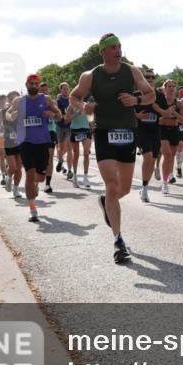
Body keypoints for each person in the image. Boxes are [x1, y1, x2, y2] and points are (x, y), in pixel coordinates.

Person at [70, 33, 155, 264]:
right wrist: (84, 106)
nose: (118, 50)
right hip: (104, 133)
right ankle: (118, 241)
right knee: (111, 184)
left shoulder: (132, 71)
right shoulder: (91, 76)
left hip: (128, 132)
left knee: (124, 190)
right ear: (103, 52)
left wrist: (136, 101)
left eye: (119, 46)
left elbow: (150, 94)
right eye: (113, 47)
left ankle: (106, 203)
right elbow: (74, 96)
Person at [6, 75, 62, 222]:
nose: (34, 86)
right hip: (25, 142)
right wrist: (12, 115)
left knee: (40, 177)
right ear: (26, 84)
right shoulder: (19, 100)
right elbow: (8, 114)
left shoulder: (47, 99)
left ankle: (36, 184)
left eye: (36, 83)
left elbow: (59, 115)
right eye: (31, 83)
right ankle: (32, 209)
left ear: (39, 86)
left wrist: (53, 114)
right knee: (29, 173)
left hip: (42, 142)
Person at [135, 69, 169, 202]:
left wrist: (158, 109)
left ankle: (145, 185)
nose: (150, 79)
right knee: (147, 157)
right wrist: (137, 116)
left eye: (152, 77)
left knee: (152, 161)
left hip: (155, 131)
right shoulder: (136, 95)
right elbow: (125, 112)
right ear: (142, 80)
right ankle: (144, 189)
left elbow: (166, 114)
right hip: (141, 131)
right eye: (147, 77)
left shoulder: (159, 96)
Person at [157, 79, 183, 195]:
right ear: (164, 88)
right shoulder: (159, 102)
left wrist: (175, 113)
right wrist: (164, 116)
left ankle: (166, 177)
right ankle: (164, 183)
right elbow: (156, 118)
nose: (171, 88)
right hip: (162, 130)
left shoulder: (179, 103)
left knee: (171, 157)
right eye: (169, 86)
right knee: (167, 154)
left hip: (174, 131)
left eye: (173, 86)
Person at [67, 96, 94, 188]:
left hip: (86, 130)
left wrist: (92, 121)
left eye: (81, 97)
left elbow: (91, 119)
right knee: (76, 154)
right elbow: (67, 120)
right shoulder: (71, 106)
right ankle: (75, 176)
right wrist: (77, 114)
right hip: (75, 130)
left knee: (86, 153)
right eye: (79, 97)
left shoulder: (87, 106)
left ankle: (85, 177)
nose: (80, 98)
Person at [1, 90, 24, 199]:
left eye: (16, 99)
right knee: (13, 167)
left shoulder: (24, 111)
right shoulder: (5, 111)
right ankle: (8, 177)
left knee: (19, 168)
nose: (14, 101)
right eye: (11, 99)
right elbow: (0, 122)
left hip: (21, 142)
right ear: (9, 100)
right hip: (9, 141)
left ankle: (16, 189)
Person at [39, 82, 57, 193]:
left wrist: (53, 114)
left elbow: (58, 116)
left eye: (46, 90)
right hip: (38, 132)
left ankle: (47, 184)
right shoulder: (34, 103)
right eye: (42, 90)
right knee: (39, 158)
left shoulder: (53, 102)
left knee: (50, 158)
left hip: (50, 132)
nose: (44, 92)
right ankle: (36, 181)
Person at [55, 82, 73, 178]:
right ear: (60, 90)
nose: (66, 90)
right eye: (64, 89)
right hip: (60, 126)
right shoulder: (57, 101)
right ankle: (60, 160)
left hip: (70, 126)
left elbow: (76, 111)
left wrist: (70, 117)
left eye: (67, 88)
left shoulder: (72, 100)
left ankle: (70, 170)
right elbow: (56, 114)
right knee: (61, 148)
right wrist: (63, 117)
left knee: (69, 147)